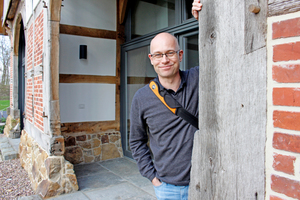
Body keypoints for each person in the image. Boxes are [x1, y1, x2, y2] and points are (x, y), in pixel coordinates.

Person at [129, 1, 203, 200]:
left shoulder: (198, 79)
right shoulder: (142, 98)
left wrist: (203, 21)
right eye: (159, 55)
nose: (165, 60)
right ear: (151, 59)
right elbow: (136, 141)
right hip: (167, 187)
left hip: (204, 180)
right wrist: (152, 177)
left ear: (180, 54)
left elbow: (221, 52)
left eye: (170, 53)